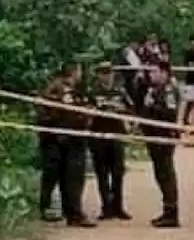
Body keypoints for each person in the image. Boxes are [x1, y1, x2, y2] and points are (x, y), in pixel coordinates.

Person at [43, 63, 96, 227]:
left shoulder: (55, 87)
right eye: (79, 71)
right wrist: (86, 117)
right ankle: (74, 213)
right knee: (73, 177)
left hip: (61, 139)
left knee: (64, 177)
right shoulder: (63, 90)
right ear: (73, 72)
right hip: (69, 139)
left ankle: (69, 211)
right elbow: (70, 114)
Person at [88, 62, 133, 220]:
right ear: (98, 75)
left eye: (109, 73)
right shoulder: (92, 92)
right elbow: (86, 111)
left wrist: (127, 119)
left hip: (117, 135)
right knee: (102, 173)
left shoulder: (120, 91)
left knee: (118, 172)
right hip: (98, 135)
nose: (107, 76)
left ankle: (118, 206)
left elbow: (130, 109)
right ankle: (106, 206)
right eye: (103, 73)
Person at [139, 60, 182, 228]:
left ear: (164, 73)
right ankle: (167, 210)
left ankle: (172, 213)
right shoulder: (154, 89)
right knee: (160, 173)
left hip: (163, 136)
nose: (151, 74)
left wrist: (152, 106)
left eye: (155, 71)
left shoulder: (169, 90)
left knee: (166, 173)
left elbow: (169, 113)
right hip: (153, 136)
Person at [35, 71, 64, 223]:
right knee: (50, 176)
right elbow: (42, 120)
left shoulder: (63, 98)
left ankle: (63, 208)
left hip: (62, 142)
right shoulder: (44, 100)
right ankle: (45, 207)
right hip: (49, 141)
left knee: (63, 176)